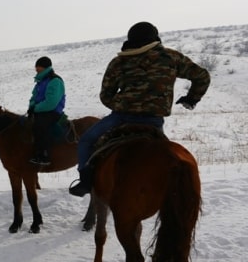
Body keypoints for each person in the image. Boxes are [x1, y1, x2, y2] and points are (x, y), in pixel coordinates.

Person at [69, 22, 210, 197]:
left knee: (86, 141)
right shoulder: (171, 57)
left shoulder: (119, 61)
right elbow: (202, 76)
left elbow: (106, 95)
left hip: (121, 118)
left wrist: (122, 104)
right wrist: (191, 99)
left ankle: (85, 182)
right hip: (154, 120)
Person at [27, 56, 66, 166]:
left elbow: (51, 103)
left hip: (53, 112)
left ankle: (44, 155)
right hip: (41, 111)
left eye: (38, 69)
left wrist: (36, 108)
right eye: (36, 69)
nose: (37, 71)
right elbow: (34, 97)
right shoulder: (40, 82)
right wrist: (31, 106)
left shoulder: (55, 81)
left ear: (45, 68)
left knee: (40, 125)